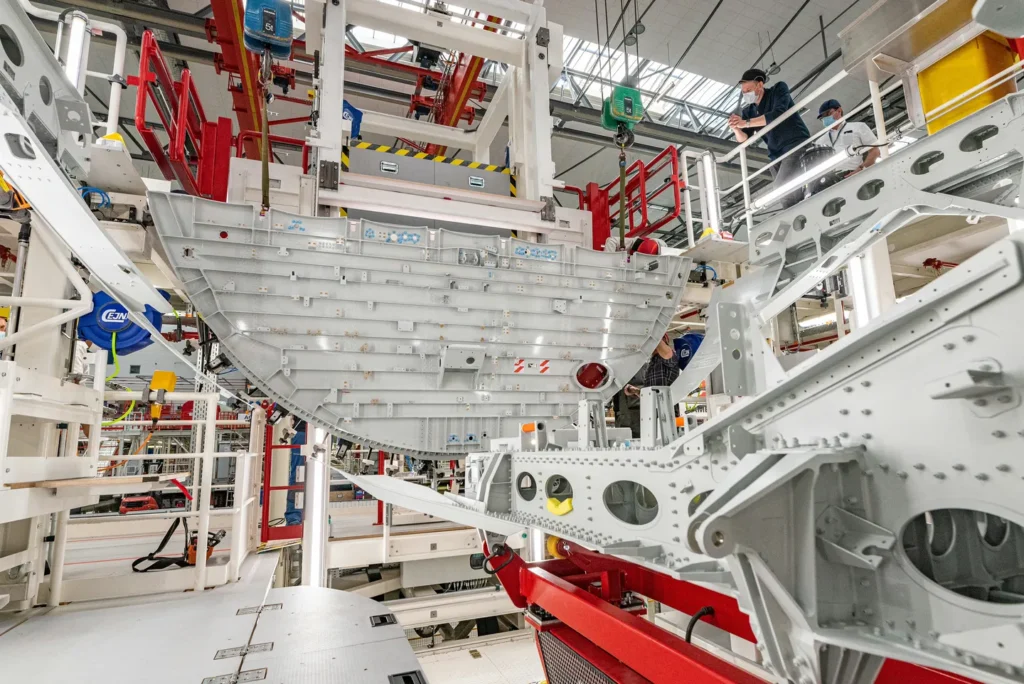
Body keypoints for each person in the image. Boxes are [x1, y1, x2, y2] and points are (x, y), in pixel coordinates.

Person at [728, 68, 811, 209]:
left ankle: (796, 213)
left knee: (781, 186)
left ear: (760, 85)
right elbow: (744, 139)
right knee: (787, 193)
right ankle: (797, 215)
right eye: (743, 92)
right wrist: (736, 128)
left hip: (794, 143)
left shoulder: (778, 89)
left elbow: (777, 113)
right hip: (775, 153)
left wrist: (746, 122)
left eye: (748, 89)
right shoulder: (749, 111)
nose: (746, 94)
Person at [816, 98, 881, 175]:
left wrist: (861, 169)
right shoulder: (819, 142)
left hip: (855, 173)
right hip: (830, 180)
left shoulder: (858, 127)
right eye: (822, 118)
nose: (825, 119)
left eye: (828, 114)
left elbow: (875, 151)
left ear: (839, 110)